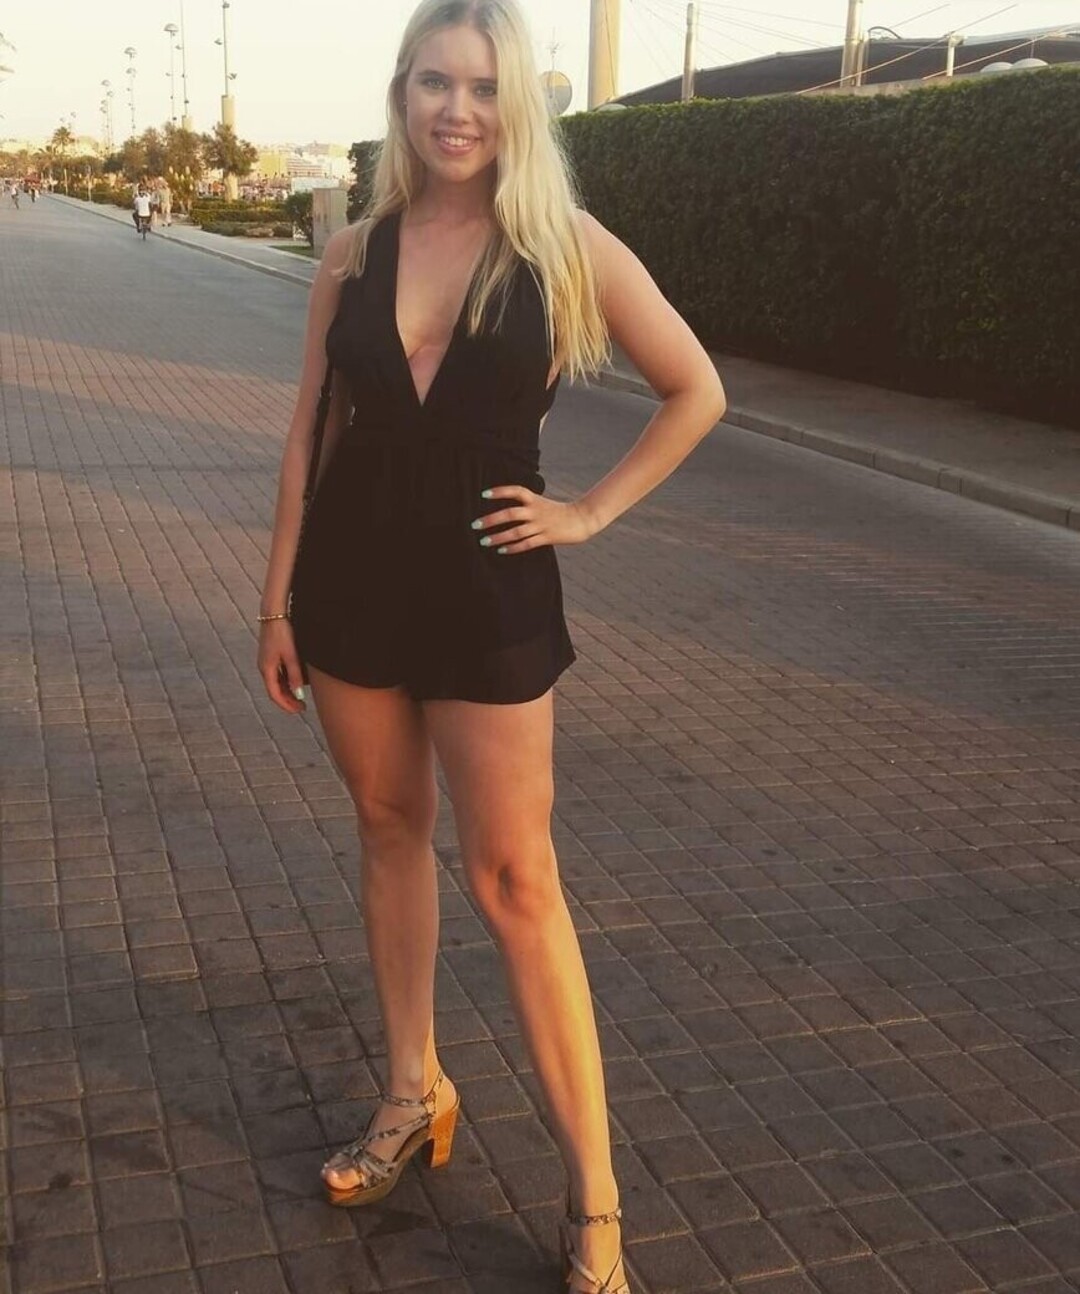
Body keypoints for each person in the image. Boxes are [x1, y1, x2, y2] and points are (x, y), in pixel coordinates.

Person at [256, 2, 725, 1291]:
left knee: (516, 881)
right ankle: (412, 1092)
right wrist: (276, 601)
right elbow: (311, 434)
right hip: (352, 587)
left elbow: (697, 388)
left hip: (490, 592)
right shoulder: (352, 252)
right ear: (401, 95)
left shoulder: (562, 244)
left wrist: (588, 514)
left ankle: (596, 1202)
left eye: (480, 86)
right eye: (432, 83)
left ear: (516, 102)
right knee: (386, 828)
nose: (455, 110)